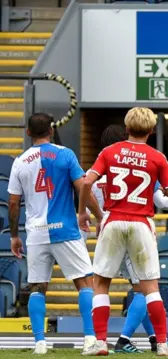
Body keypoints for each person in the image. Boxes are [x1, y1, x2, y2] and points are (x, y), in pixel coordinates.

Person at [78, 107, 168, 356]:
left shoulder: (109, 152)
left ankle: (101, 343)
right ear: (150, 130)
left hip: (113, 220)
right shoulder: (157, 157)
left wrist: (83, 211)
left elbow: (86, 183)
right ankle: (163, 345)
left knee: (101, 283)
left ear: (127, 128)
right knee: (151, 287)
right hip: (142, 223)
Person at [8, 113, 103, 354]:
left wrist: (14, 236)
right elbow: (84, 187)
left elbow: (12, 203)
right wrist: (97, 215)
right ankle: (90, 339)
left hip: (36, 233)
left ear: (28, 132)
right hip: (66, 231)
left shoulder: (20, 161)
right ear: (51, 130)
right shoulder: (65, 154)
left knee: (38, 287)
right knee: (84, 282)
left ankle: (40, 343)